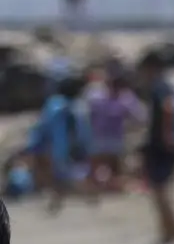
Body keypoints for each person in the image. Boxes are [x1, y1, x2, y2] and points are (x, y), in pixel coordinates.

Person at [139, 50, 174, 244]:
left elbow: (167, 111)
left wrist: (167, 137)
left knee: (158, 189)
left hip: (160, 144)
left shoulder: (159, 88)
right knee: (160, 189)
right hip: (167, 142)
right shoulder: (171, 87)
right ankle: (171, 227)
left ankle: (171, 229)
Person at [27, 77, 87, 214]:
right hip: (63, 146)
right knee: (61, 174)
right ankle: (59, 200)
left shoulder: (54, 104)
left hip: (52, 145)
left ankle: (60, 200)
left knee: (59, 175)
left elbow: (44, 125)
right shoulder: (72, 106)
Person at [86, 66, 143, 193]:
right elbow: (89, 115)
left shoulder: (126, 98)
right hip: (100, 138)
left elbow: (138, 117)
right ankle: (98, 188)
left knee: (115, 166)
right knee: (98, 165)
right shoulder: (97, 96)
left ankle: (112, 188)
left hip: (115, 138)